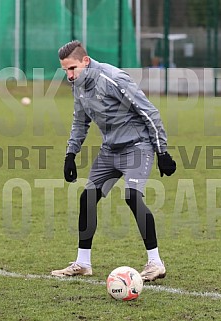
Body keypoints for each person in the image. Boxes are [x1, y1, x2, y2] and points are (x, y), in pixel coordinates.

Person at [51, 40, 176, 281]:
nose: (68, 75)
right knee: (88, 197)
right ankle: (83, 263)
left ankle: (155, 262)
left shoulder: (113, 78)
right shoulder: (78, 84)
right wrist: (70, 154)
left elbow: (149, 112)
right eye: (65, 70)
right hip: (110, 149)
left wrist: (162, 152)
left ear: (85, 61)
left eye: (72, 68)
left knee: (131, 196)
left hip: (138, 146)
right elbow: (80, 122)